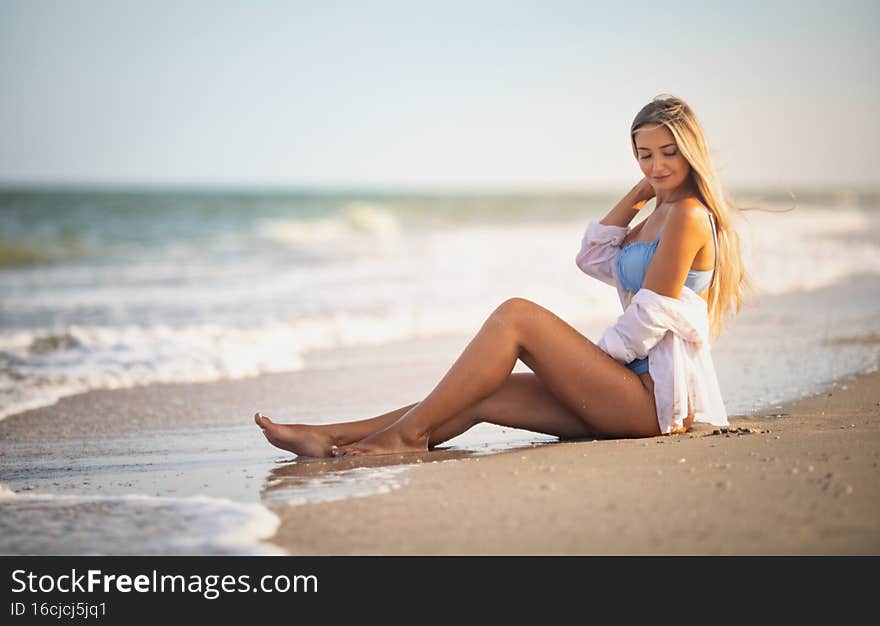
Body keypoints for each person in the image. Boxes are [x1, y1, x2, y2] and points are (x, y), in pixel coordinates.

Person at [254, 94, 750, 457]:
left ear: (690, 150)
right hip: (622, 391)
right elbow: (594, 258)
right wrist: (642, 191)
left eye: (668, 152)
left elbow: (649, 317)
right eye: (645, 154)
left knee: (516, 316)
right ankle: (333, 437)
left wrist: (590, 365)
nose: (658, 164)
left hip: (651, 403)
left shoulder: (689, 215)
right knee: (480, 392)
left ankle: (402, 436)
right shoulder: (657, 211)